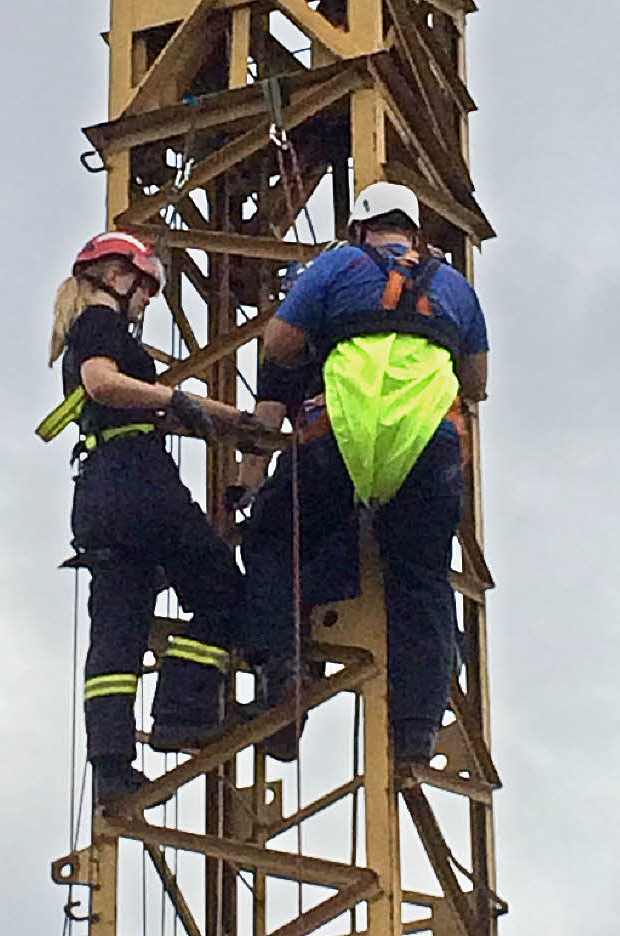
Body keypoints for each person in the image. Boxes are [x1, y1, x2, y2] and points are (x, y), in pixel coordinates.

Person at [232, 182, 489, 764]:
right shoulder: (455, 287)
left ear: (358, 228)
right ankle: (418, 730)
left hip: (341, 437)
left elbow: (278, 344)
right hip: (428, 445)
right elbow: (476, 384)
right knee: (421, 580)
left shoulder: (337, 264)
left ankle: (284, 670)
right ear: (416, 231)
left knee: (275, 536)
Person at [47, 230, 249, 798]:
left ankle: (110, 766)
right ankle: (181, 711)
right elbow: (105, 384)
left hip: (96, 493)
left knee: (116, 632)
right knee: (223, 594)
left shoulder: (80, 332)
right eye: (146, 289)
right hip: (139, 481)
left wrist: (227, 420)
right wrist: (179, 401)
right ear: (117, 275)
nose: (147, 302)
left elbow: (134, 399)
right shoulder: (99, 324)